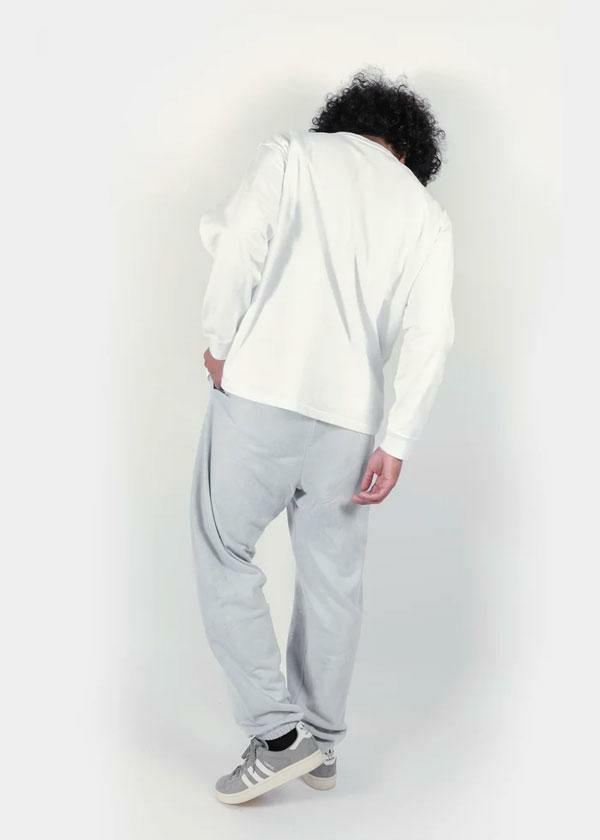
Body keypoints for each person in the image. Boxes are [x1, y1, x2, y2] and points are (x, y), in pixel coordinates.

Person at [189, 68, 455, 805]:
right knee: (333, 580)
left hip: (263, 391)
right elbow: (431, 332)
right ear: (409, 149)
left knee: (224, 552)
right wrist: (397, 440)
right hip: (352, 421)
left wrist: (219, 340)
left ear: (348, 118)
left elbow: (237, 242)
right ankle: (322, 742)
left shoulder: (296, 155)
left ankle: (278, 740)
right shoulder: (425, 213)